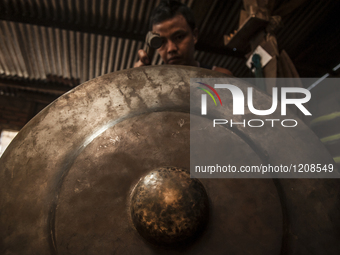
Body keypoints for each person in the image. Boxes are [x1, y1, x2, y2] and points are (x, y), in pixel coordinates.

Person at [134, 0, 232, 76]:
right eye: (162, 42)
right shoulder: (155, 85)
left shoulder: (221, 78)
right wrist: (139, 81)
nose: (171, 49)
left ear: (194, 35)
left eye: (179, 37)